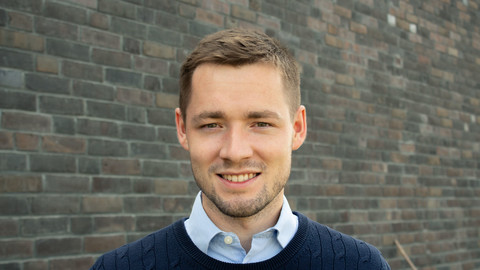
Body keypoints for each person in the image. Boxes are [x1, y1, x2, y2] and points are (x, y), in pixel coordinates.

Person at [90, 28, 390, 270]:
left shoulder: (361, 265)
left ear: (297, 128)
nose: (235, 152)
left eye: (260, 123)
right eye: (211, 125)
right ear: (182, 130)